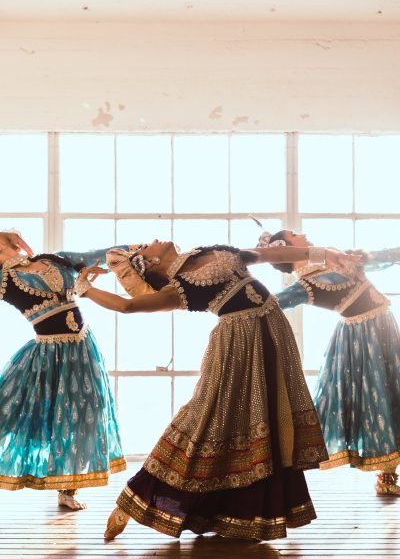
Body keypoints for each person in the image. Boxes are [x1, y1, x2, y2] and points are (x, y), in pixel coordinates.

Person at [75, 239, 359, 540]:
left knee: (268, 416)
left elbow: (266, 254)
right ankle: (136, 499)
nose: (151, 241)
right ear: (150, 263)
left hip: (272, 334)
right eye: (144, 248)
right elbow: (127, 306)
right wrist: (86, 290)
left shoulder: (207, 251)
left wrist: (326, 253)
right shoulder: (179, 287)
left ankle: (241, 512)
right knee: (208, 419)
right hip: (238, 345)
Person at [263, 229, 400, 495]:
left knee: (392, 393)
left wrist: (368, 256)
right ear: (287, 248)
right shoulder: (305, 285)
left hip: (385, 330)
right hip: (361, 341)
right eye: (295, 234)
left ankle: (387, 475)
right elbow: (270, 305)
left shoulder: (335, 258)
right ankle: (285, 472)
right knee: (376, 396)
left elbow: (383, 257)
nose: (303, 234)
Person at [0, 230, 130, 510]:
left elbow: (103, 254)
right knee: (14, 410)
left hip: (83, 348)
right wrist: (3, 232)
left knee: (85, 414)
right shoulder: (3, 279)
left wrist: (139, 250)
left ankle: (68, 490)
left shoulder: (55, 259)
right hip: (47, 352)